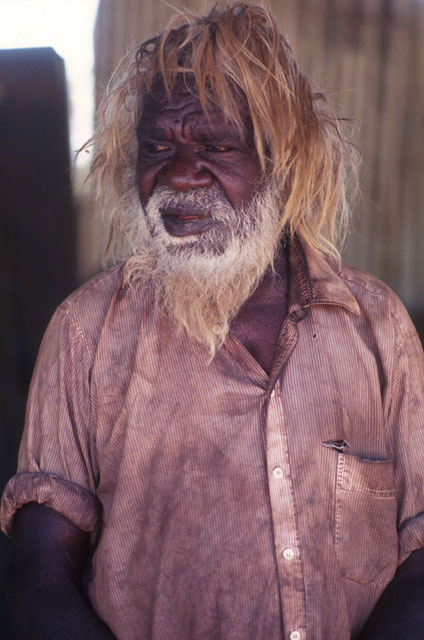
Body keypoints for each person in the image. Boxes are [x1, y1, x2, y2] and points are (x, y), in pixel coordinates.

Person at [2, 4, 424, 639]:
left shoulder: (379, 327)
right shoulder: (86, 332)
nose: (178, 175)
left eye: (216, 146)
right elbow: (37, 578)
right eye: (157, 147)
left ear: (283, 159)